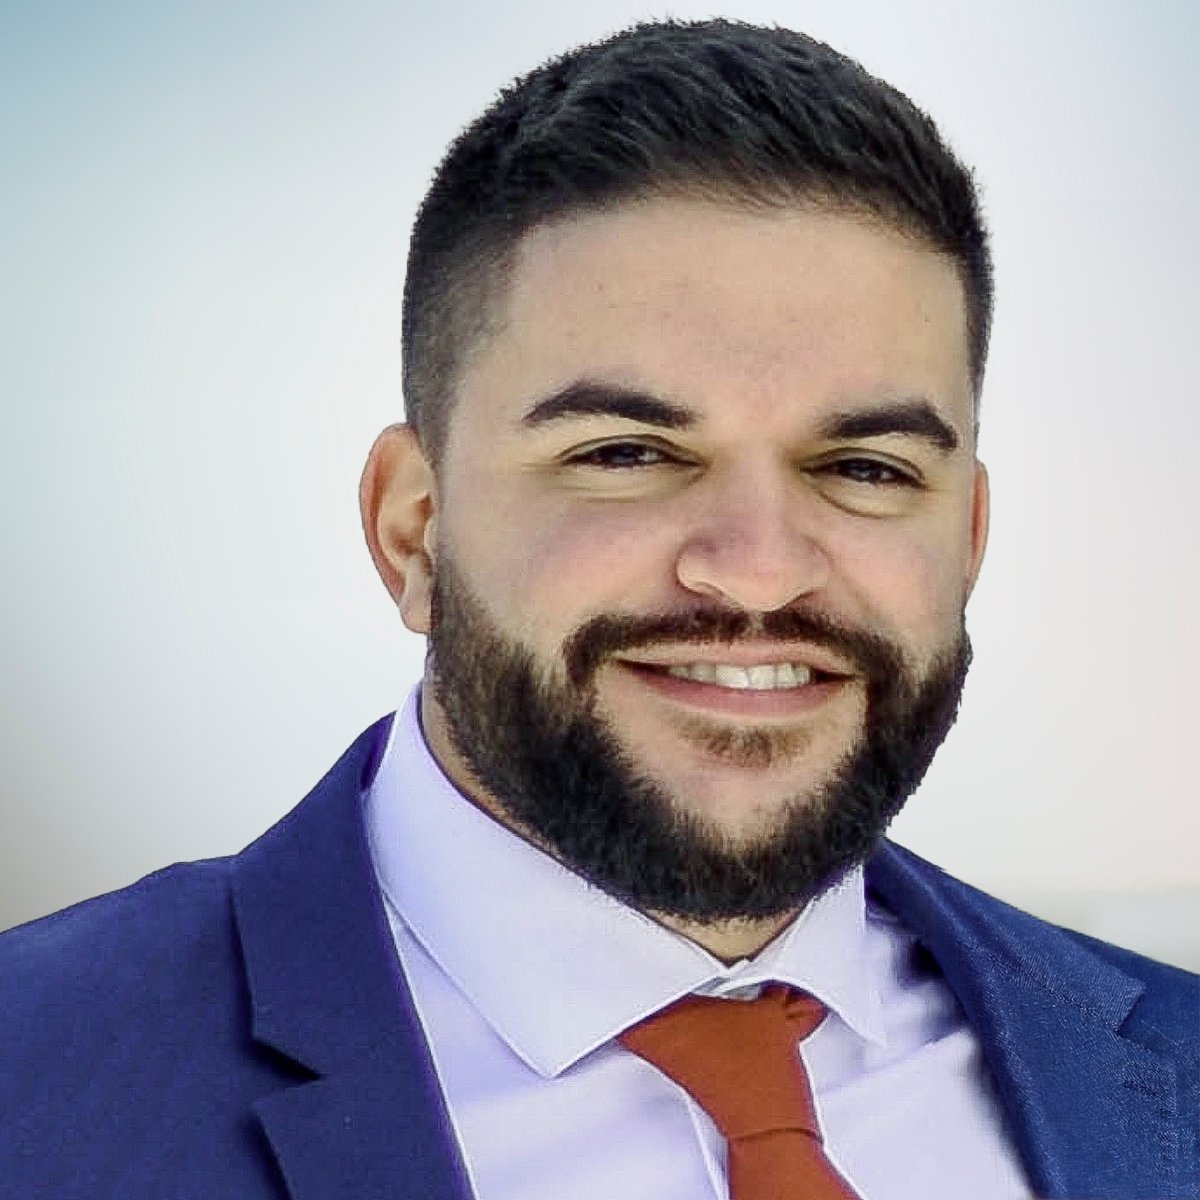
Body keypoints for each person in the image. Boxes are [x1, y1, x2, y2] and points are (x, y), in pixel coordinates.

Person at [1, 19, 1195, 1200]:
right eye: (627, 453)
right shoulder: (35, 1085)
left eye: (865, 468)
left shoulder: (1170, 1068)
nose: (759, 571)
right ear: (414, 529)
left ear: (968, 537)